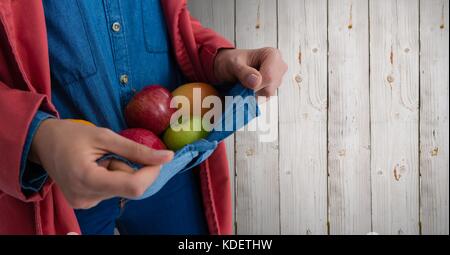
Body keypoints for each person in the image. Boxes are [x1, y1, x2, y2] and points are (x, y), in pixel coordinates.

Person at [0, 0, 287, 235]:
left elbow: (171, 21)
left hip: (172, 169)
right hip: (58, 188)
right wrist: (36, 136)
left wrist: (218, 58)